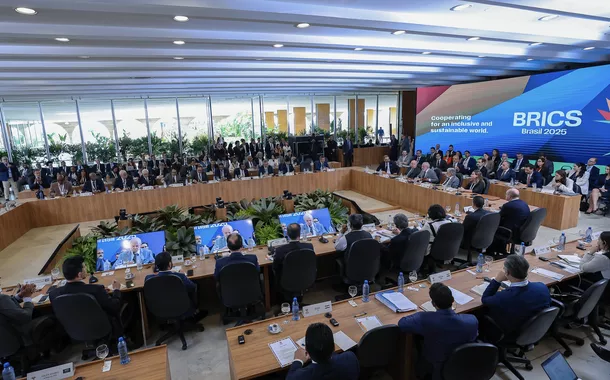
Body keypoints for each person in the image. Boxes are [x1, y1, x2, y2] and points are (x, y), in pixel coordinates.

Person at [398, 283, 477, 380]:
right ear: (452, 300)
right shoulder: (472, 320)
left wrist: (418, 315)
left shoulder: (425, 319)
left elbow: (402, 324)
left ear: (433, 304)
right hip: (463, 363)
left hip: (436, 365)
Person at [49, 256, 124, 337]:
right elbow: (114, 307)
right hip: (102, 328)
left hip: (74, 332)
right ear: (79, 274)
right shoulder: (96, 289)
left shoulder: (53, 294)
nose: (86, 269)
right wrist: (116, 290)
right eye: (84, 267)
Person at [481, 255, 551, 338]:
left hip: (514, 333)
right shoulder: (542, 286)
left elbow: (485, 299)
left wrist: (497, 280)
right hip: (537, 329)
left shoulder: (504, 297)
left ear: (507, 273)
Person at [289, 322, 359, 380]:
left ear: (306, 350)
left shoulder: (300, 377)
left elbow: (290, 377)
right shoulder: (350, 358)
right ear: (333, 347)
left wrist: (298, 360)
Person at [145, 252, 205, 319]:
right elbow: (193, 287)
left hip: (160, 308)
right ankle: (195, 312)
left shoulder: (148, 278)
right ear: (170, 264)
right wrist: (184, 276)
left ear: (156, 265)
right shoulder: (180, 276)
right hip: (182, 307)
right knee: (197, 286)